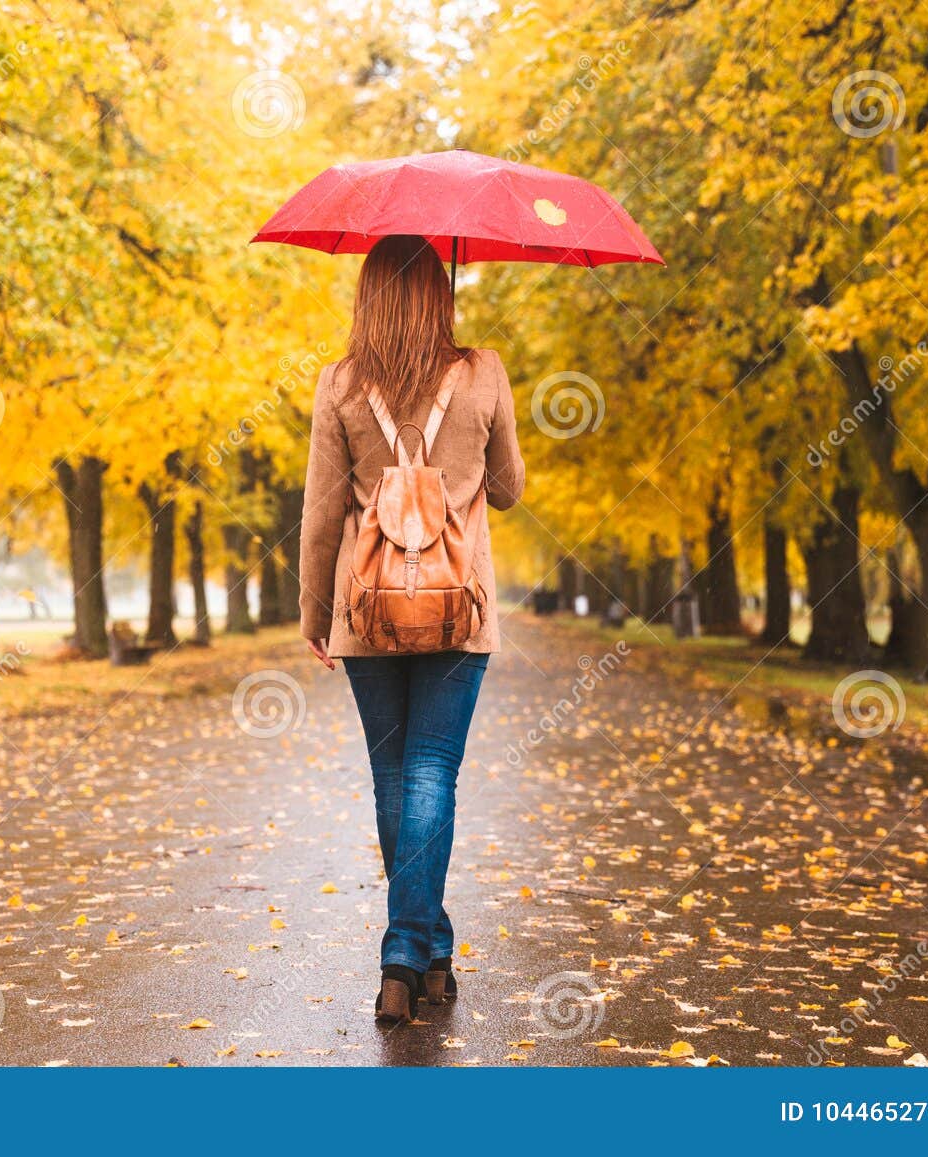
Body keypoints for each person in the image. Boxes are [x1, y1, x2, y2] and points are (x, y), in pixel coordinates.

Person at [298, 234, 525, 1024]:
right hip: (460, 611)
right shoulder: (484, 371)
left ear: (369, 295)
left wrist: (311, 611)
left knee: (395, 777)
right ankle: (416, 952)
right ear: (439, 293)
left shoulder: (339, 385)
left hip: (366, 612)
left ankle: (415, 955)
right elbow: (508, 490)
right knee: (432, 773)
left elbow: (323, 513)